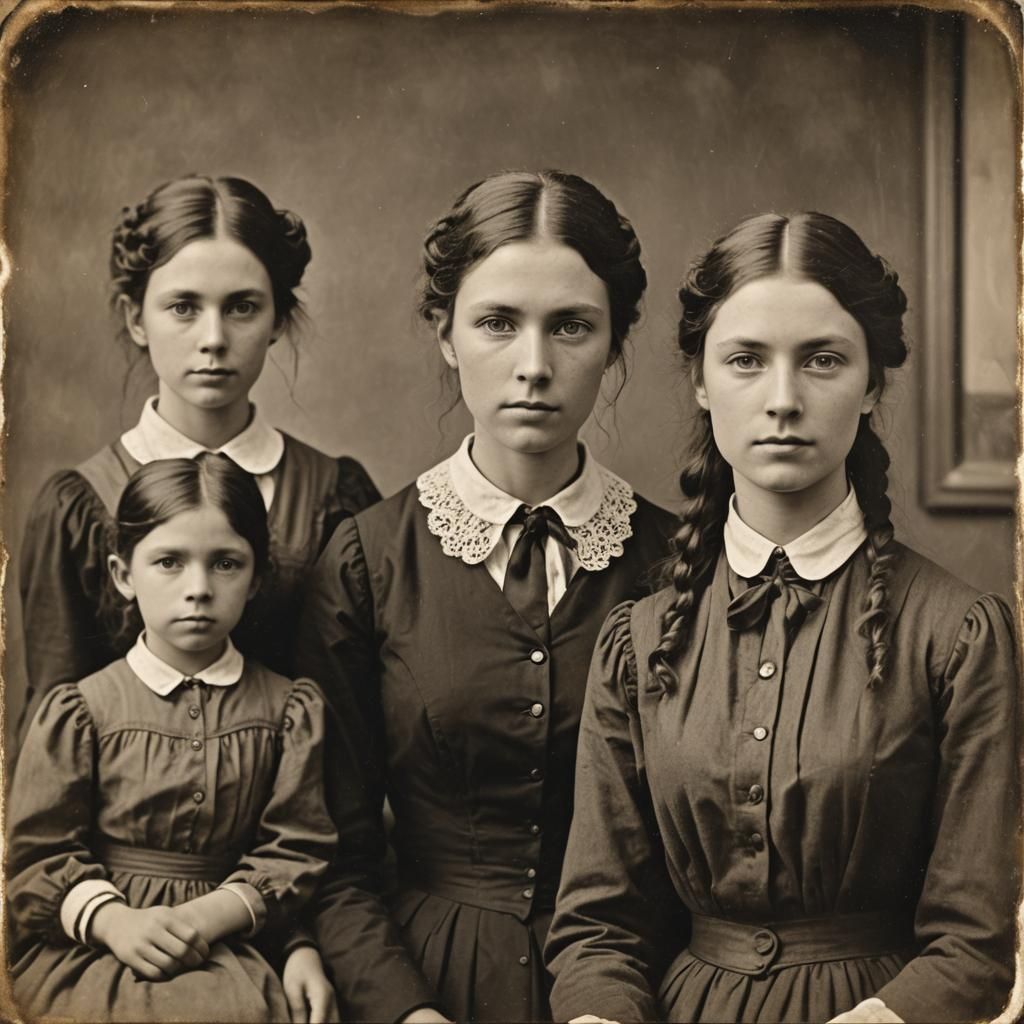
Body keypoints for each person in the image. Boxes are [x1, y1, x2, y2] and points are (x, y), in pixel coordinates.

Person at [544, 211, 1020, 1024]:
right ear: (702, 381)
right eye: (746, 360)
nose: (783, 400)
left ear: (872, 385)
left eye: (823, 360)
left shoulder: (957, 634)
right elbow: (599, 928)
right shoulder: (640, 640)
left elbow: (975, 944)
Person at [294, 169, 678, 1023]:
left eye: (571, 326)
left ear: (615, 343)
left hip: (640, 985)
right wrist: (405, 1011)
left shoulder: (679, 562)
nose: (533, 367)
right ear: (445, 334)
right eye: (498, 323)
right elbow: (333, 853)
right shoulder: (366, 560)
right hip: (426, 982)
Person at [16, 174, 380, 740]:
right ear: (137, 318)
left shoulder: (334, 497)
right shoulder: (79, 507)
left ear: (278, 321)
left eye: (242, 307)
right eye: (183, 307)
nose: (213, 338)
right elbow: (54, 728)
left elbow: (361, 719)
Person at [7, 454, 340, 1023]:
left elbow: (296, 850)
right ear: (123, 575)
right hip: (96, 945)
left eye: (226, 564)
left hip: (232, 941)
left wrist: (284, 941)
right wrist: (114, 922)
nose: (199, 589)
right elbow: (37, 858)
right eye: (169, 562)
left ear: (257, 579)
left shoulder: (289, 710)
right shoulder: (80, 711)